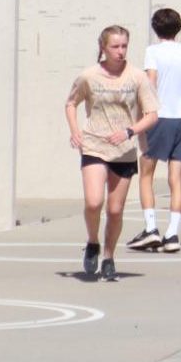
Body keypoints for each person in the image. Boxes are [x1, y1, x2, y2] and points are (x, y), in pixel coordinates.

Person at [66, 26, 158, 282]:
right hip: (94, 145)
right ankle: (93, 241)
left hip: (124, 151)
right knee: (94, 202)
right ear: (103, 48)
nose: (120, 51)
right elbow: (71, 103)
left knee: (115, 210)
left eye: (124, 46)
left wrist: (130, 131)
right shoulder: (89, 76)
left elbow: (152, 115)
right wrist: (75, 131)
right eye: (115, 47)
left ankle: (108, 256)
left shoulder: (138, 77)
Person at [130, 8, 181, 254]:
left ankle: (151, 228)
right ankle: (173, 233)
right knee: (176, 178)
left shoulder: (153, 51)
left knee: (146, 172)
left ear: (155, 28)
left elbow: (151, 82)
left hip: (160, 117)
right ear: (178, 28)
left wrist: (142, 113)